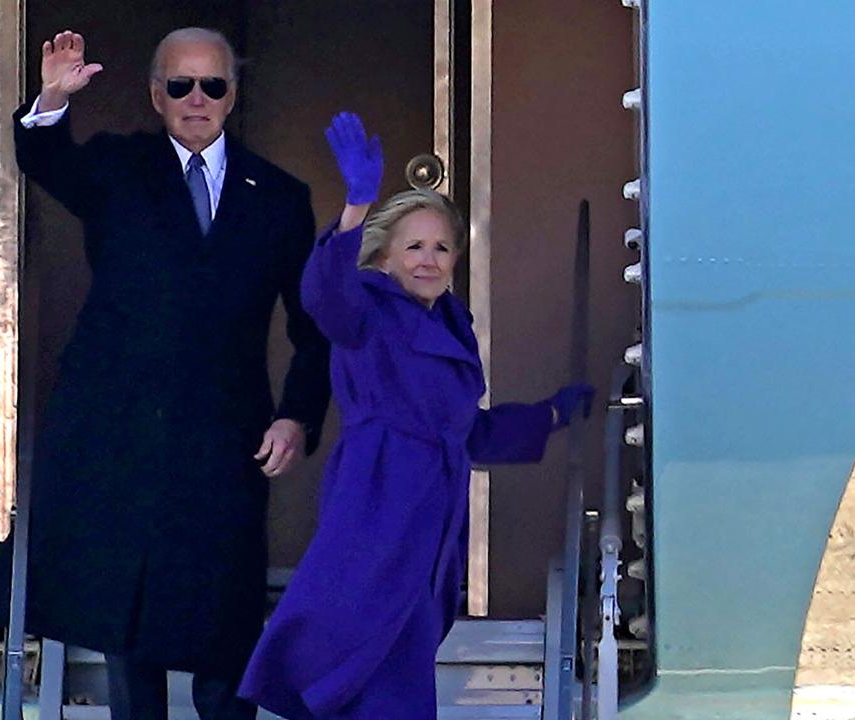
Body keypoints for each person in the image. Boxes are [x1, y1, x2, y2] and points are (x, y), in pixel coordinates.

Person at [0, 28, 331, 720]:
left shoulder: (281, 195)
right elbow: (46, 159)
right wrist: (51, 96)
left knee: (225, 628)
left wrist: (297, 414)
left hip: (226, 439)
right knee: (129, 623)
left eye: (213, 86)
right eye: (180, 85)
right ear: (155, 94)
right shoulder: (117, 167)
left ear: (232, 95)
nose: (197, 100)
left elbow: (311, 323)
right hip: (123, 434)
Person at [237, 112, 594, 720]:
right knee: (359, 651)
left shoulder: (451, 325)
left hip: (432, 517)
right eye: (414, 247)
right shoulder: (367, 310)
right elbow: (324, 293)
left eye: (441, 247)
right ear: (385, 256)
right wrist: (356, 203)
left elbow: (470, 431)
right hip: (376, 506)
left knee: (401, 663)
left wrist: (554, 413)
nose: (429, 260)